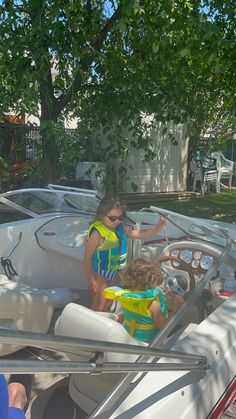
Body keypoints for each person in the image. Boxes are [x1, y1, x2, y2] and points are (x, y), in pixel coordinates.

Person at [84, 196, 166, 311]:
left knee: (109, 302)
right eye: (113, 218)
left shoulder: (120, 228)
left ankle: (106, 319)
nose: (117, 221)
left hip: (116, 272)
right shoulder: (97, 233)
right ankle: (92, 324)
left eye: (120, 217)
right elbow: (87, 259)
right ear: (102, 215)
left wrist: (157, 229)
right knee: (99, 304)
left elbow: (138, 234)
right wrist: (91, 280)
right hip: (101, 273)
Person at [104, 258, 183, 342]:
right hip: (147, 345)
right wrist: (176, 307)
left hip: (129, 339)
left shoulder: (127, 297)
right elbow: (165, 328)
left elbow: (131, 313)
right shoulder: (153, 305)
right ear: (152, 279)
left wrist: (119, 319)